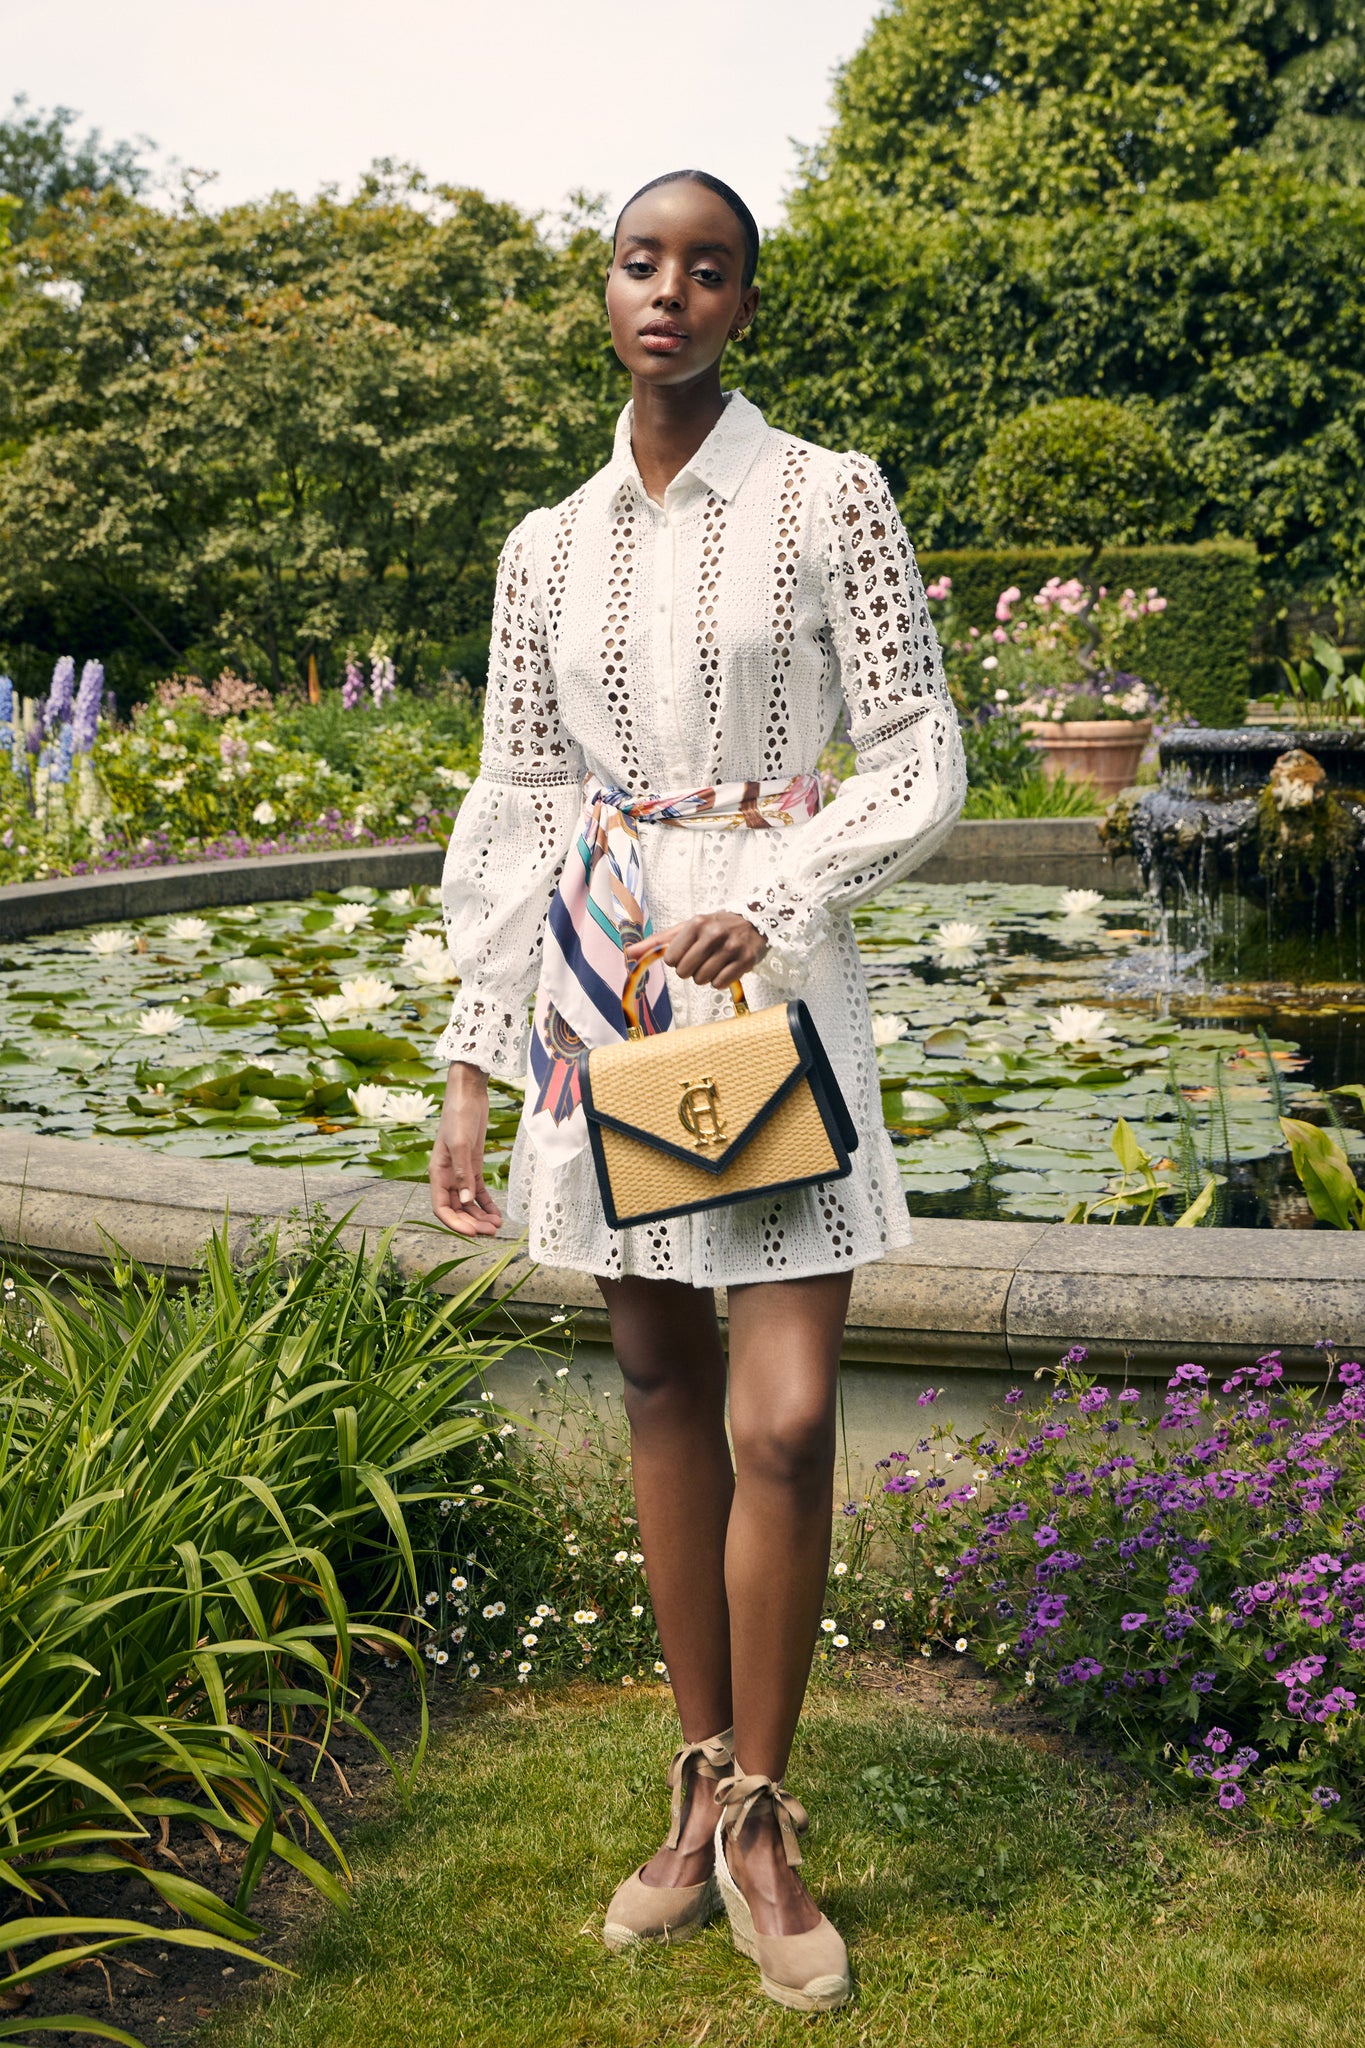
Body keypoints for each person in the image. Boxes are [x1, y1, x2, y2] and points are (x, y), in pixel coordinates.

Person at [428, 168, 965, 2013]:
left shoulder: (828, 498)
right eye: (642, 262)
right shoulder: (542, 546)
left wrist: (782, 896)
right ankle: (698, 1792)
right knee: (658, 1382)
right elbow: (510, 808)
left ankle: (765, 1821)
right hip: (601, 989)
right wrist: (474, 1065)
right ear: (605, 290)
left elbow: (916, 753)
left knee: (787, 1419)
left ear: (743, 303)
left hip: (771, 983)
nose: (670, 293)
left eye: (707, 269)